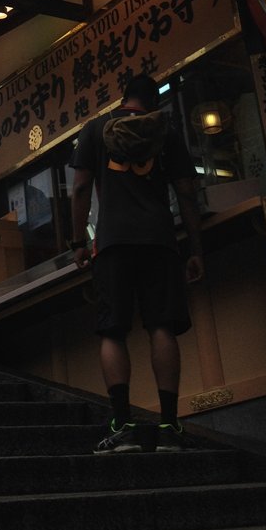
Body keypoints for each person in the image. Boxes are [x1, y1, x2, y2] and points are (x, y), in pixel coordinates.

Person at [70, 73, 203, 453]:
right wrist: (195, 248)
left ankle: (123, 425)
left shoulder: (95, 129)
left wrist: (79, 241)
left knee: (113, 331)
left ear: (123, 97)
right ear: (153, 102)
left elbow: (80, 188)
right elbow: (188, 195)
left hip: (112, 243)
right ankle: (168, 426)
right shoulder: (167, 132)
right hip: (160, 241)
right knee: (161, 327)